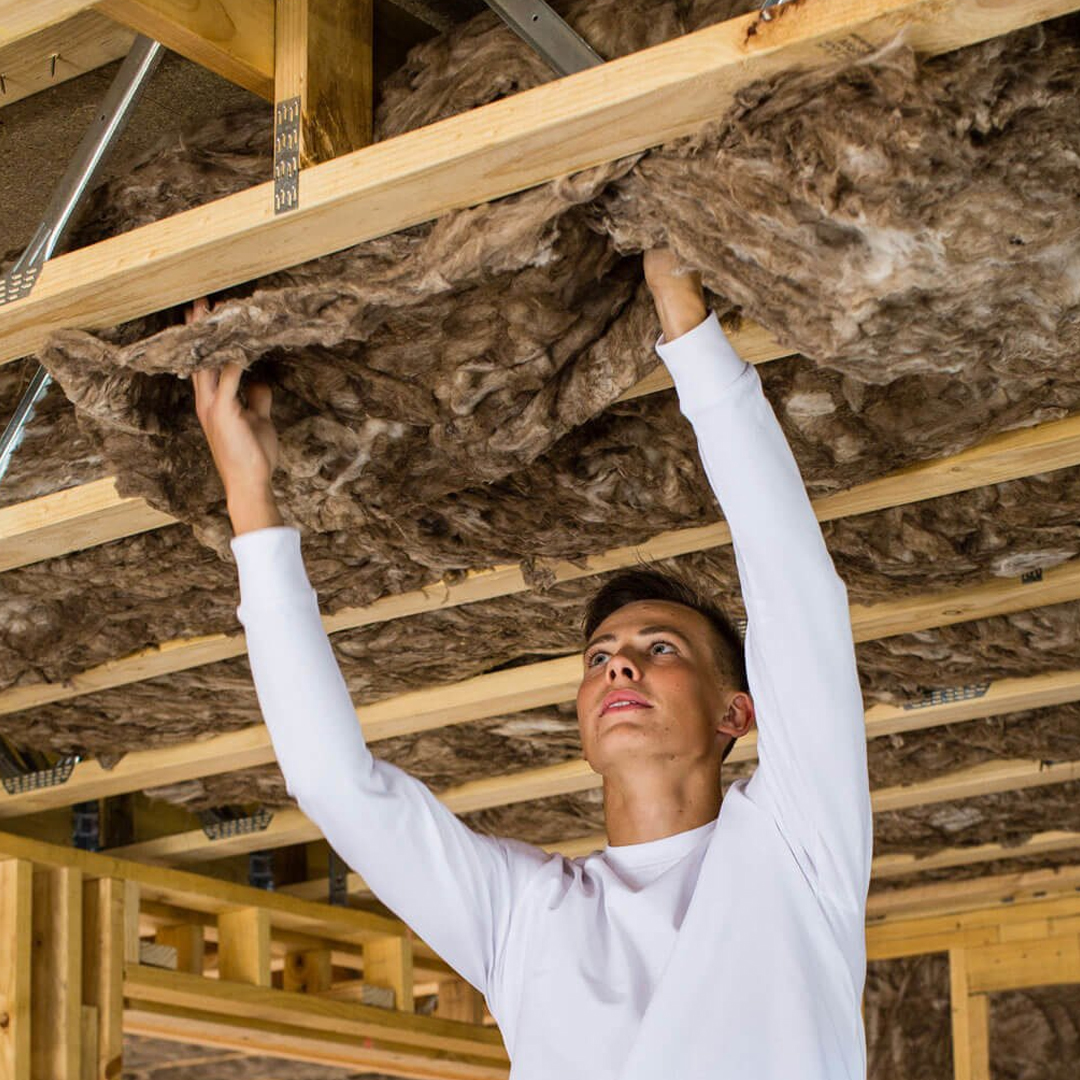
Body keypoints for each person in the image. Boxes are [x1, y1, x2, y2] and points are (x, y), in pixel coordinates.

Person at [192, 249, 872, 1080]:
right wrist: (685, 316)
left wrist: (249, 497)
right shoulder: (531, 916)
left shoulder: (796, 848)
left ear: (737, 712)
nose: (619, 668)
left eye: (659, 648)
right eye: (600, 656)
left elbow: (797, 597)